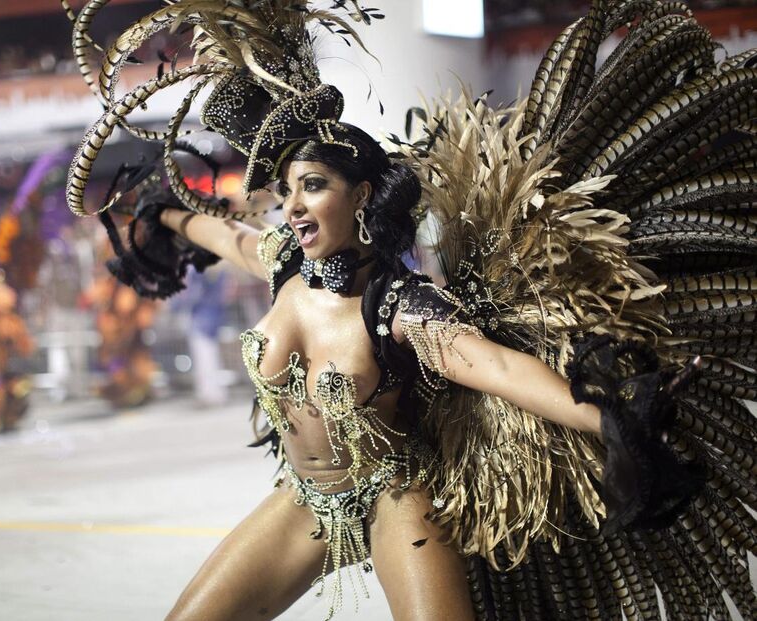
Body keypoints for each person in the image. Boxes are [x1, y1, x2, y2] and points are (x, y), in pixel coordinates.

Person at [62, 1, 755, 619]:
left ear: (360, 196)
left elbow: (498, 366)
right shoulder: (282, 261)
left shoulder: (397, 304)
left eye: (311, 186)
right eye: (286, 188)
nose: (293, 204)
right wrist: (170, 216)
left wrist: (609, 414)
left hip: (395, 500)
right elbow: (227, 234)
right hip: (308, 500)